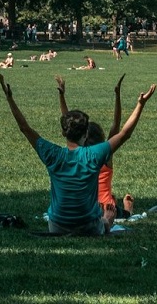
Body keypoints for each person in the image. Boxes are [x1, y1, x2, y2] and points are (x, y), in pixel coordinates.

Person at [0, 73, 155, 235]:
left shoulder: (53, 154)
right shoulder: (94, 155)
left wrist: (10, 98)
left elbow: (25, 128)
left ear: (63, 132)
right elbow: (123, 133)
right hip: (89, 227)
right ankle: (107, 221)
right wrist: (140, 104)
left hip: (56, 226)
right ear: (85, 134)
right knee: (106, 219)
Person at [56, 74, 135, 220]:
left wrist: (62, 95)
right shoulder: (105, 155)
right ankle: (128, 209)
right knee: (123, 211)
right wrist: (118, 96)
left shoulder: (78, 154)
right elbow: (116, 125)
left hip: (86, 207)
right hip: (107, 209)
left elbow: (68, 121)